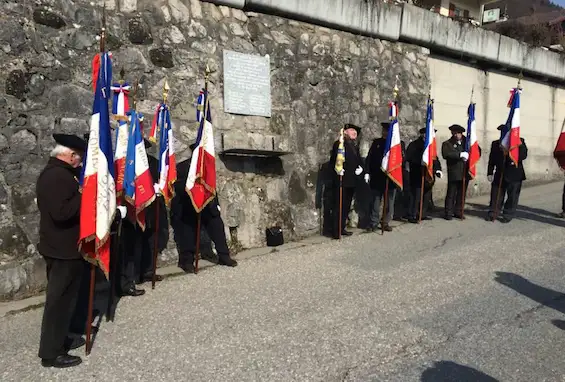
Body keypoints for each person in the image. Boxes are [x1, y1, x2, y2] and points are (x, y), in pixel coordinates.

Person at [36, 133, 86, 368]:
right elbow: (61, 213)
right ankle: (51, 353)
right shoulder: (56, 176)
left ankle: (62, 338)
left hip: (65, 247)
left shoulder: (62, 174)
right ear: (70, 155)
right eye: (79, 157)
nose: (81, 162)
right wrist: (82, 194)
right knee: (59, 301)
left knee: (67, 299)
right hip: (61, 248)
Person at [171, 146, 238, 273]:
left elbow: (212, 186)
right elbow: (179, 189)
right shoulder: (182, 167)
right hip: (188, 206)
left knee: (217, 228)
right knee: (187, 234)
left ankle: (224, 256)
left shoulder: (207, 165)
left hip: (208, 205)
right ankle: (187, 261)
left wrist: (216, 203)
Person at [120, 138, 166, 295]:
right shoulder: (128, 163)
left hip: (151, 208)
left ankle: (147, 271)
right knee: (134, 245)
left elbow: (160, 178)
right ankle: (132, 277)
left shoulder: (152, 162)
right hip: (134, 209)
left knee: (150, 242)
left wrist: (159, 188)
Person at [365, 122, 406, 232]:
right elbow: (370, 158)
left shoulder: (398, 144)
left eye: (388, 131)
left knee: (389, 202)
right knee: (375, 202)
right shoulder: (377, 143)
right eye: (384, 130)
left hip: (391, 178)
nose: (385, 132)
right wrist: (367, 172)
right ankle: (373, 222)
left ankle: (386, 222)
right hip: (377, 177)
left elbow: (401, 161)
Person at [328, 123, 364, 238]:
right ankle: (336, 231)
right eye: (352, 130)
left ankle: (342, 227)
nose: (355, 133)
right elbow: (334, 160)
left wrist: (361, 168)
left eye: (356, 131)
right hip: (341, 180)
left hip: (351, 181)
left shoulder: (354, 145)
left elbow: (358, 159)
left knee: (346, 206)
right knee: (339, 206)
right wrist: (337, 169)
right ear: (345, 132)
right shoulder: (339, 144)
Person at [486, 125, 528, 223]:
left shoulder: (519, 141)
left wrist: (520, 145)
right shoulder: (496, 144)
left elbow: (523, 155)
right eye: (502, 132)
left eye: (506, 132)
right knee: (496, 195)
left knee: (512, 196)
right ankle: (493, 213)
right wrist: (490, 172)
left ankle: (508, 214)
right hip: (500, 173)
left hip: (515, 174)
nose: (503, 134)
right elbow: (491, 159)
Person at [405, 127, 443, 223]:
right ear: (422, 134)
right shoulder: (414, 145)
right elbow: (409, 157)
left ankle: (422, 213)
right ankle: (412, 214)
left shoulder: (431, 146)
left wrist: (438, 169)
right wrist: (420, 162)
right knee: (416, 196)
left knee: (426, 196)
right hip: (417, 175)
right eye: (427, 134)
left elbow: (435, 159)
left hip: (428, 176)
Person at [441, 124, 470, 220]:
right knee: (451, 193)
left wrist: (470, 154)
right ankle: (448, 212)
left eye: (458, 133)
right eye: (454, 133)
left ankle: (459, 211)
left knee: (462, 193)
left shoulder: (468, 142)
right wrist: (459, 154)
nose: (456, 135)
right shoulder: (447, 143)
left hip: (465, 171)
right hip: (454, 171)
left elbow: (477, 150)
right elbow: (446, 154)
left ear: (461, 134)